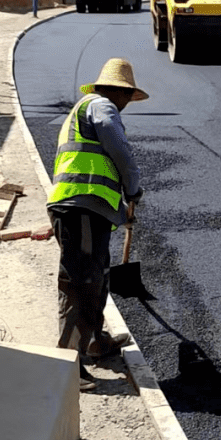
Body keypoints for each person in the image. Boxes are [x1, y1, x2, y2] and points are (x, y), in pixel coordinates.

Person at [47, 58, 147, 390]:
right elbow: (118, 147)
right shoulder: (102, 106)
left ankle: (94, 341)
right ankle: (68, 365)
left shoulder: (81, 112)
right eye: (127, 98)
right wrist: (132, 187)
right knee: (82, 282)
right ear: (121, 91)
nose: (126, 105)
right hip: (82, 208)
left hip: (85, 208)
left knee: (98, 275)